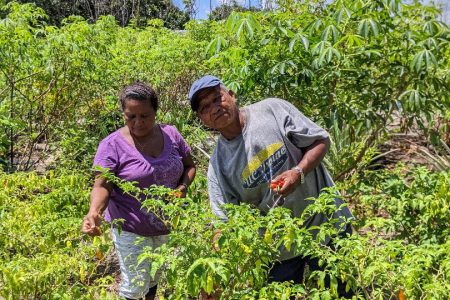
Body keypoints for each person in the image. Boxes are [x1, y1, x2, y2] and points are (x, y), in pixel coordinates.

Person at [188, 75, 353, 296]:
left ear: (232, 95)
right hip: (278, 249)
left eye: (217, 98)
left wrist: (298, 172)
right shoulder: (218, 166)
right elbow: (224, 222)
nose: (215, 108)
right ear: (202, 119)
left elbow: (321, 140)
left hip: (326, 224)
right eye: (205, 107)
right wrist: (214, 275)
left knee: (343, 292)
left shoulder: (272, 111)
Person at [82, 82, 196, 300]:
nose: (138, 122)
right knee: (135, 285)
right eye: (130, 116)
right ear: (123, 114)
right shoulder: (112, 145)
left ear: (156, 112)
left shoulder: (171, 134)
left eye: (145, 116)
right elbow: (102, 184)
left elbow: (190, 166)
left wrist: (182, 188)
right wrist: (94, 212)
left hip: (165, 223)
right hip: (130, 227)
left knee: (154, 275)